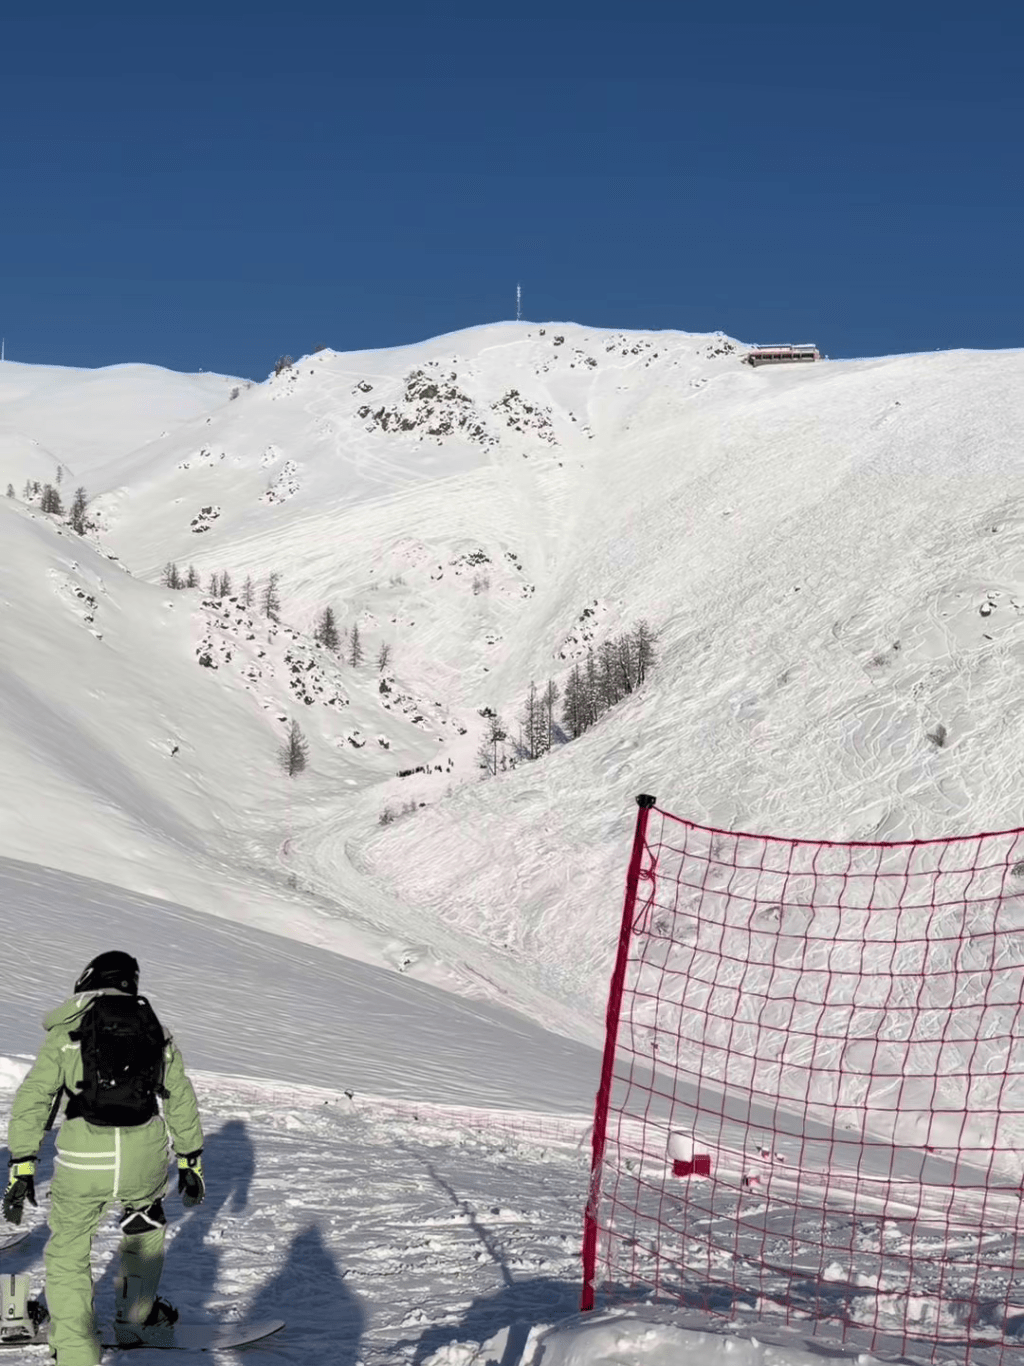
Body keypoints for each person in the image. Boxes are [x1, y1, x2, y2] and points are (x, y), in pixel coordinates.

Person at [2, 951, 205, 1366]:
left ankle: (76, 1350)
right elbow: (180, 1097)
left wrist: (22, 1164)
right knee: (143, 1232)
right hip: (143, 1157)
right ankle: (137, 1322)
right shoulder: (154, 1031)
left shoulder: (66, 1032)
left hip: (83, 1159)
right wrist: (190, 1159)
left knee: (69, 1250)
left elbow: (35, 1099)